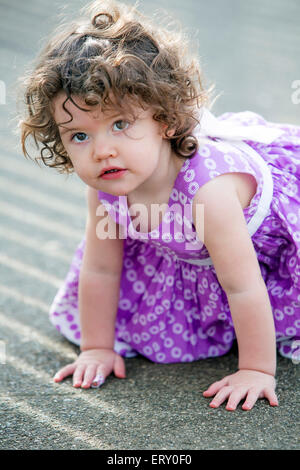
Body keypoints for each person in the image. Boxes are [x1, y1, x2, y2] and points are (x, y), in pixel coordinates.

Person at [19, 0, 300, 411]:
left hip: (261, 254)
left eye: (120, 124)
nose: (102, 151)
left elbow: (242, 285)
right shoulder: (107, 187)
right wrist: (96, 347)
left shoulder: (210, 192)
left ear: (166, 120)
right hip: (197, 252)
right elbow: (100, 268)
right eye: (79, 135)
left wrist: (256, 369)